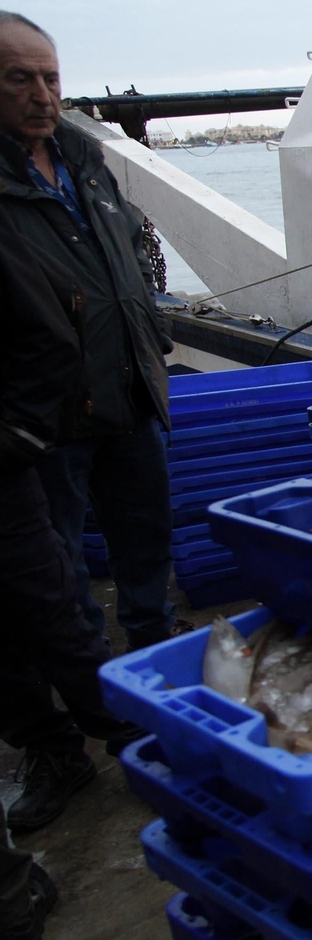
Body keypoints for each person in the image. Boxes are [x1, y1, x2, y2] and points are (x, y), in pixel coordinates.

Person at [0, 12, 183, 653]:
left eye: (49, 78)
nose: (41, 95)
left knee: (147, 537)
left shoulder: (84, 158)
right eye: (18, 79)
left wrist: (149, 326)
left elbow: (132, 245)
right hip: (46, 417)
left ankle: (155, 652)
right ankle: (84, 679)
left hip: (129, 388)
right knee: (57, 561)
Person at [1, 202, 144, 834]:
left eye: (49, 89)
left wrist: (21, 435)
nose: (41, 95)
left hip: (12, 462)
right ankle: (51, 747)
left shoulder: (75, 169)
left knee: (51, 603)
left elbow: (46, 335)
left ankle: (128, 732)